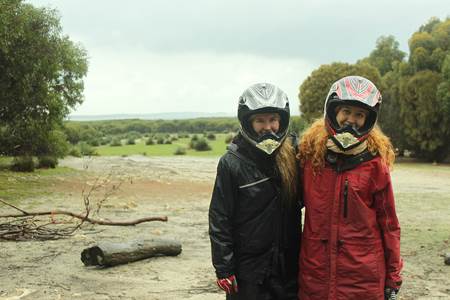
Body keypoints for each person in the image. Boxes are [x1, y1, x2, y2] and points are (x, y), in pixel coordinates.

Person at [297, 75, 403, 300]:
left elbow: (389, 225)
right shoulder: (309, 159)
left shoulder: (375, 165)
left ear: (369, 120)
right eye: (346, 111)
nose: (351, 120)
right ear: (333, 111)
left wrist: (393, 275)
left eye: (359, 114)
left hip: (362, 278)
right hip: (316, 275)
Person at [209, 83, 302, 300]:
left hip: (289, 265)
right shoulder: (231, 163)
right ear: (248, 122)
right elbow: (220, 218)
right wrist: (224, 268)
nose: (267, 127)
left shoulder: (294, 155)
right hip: (248, 270)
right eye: (260, 120)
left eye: (273, 120)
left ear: (282, 121)